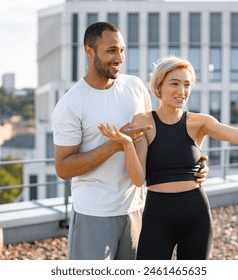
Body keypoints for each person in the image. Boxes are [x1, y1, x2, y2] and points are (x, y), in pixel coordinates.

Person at [51, 22, 209, 260]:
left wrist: (192, 165)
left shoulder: (135, 87)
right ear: (89, 51)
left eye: (123, 50)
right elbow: (63, 168)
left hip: (137, 208)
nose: (119, 58)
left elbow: (157, 138)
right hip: (95, 213)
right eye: (111, 50)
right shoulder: (71, 104)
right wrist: (115, 144)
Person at [98, 55, 238, 260]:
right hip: (157, 216)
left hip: (196, 214)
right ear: (159, 86)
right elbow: (138, 179)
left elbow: (235, 135)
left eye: (187, 85)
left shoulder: (200, 122)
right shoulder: (143, 121)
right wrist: (127, 144)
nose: (182, 91)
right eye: (174, 83)